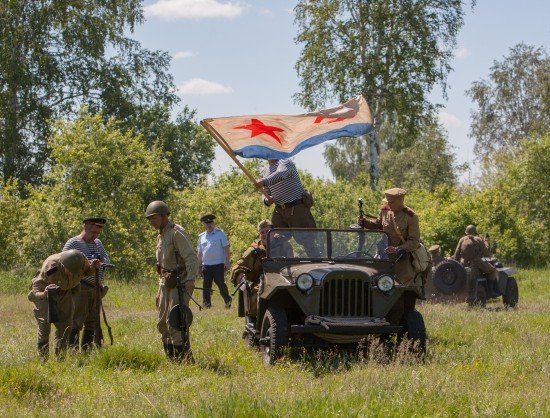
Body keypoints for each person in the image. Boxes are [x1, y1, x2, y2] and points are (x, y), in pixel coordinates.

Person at [145, 200, 197, 361]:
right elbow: (162, 265)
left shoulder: (176, 232)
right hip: (164, 282)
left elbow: (190, 257)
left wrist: (190, 279)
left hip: (179, 282)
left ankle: (184, 359)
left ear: (163, 216)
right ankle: (172, 359)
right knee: (162, 323)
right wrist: (159, 290)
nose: (151, 222)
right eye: (149, 219)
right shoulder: (160, 235)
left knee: (175, 321)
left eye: (154, 218)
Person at [28, 249, 98, 358]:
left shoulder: (81, 262)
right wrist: (42, 294)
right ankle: (43, 359)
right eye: (69, 271)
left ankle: (60, 358)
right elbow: (36, 286)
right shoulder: (51, 266)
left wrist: (93, 267)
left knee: (66, 326)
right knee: (45, 326)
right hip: (45, 293)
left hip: (65, 293)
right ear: (62, 265)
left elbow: (87, 271)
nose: (71, 274)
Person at [63, 216, 110, 351]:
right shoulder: (73, 243)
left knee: (92, 322)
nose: (95, 236)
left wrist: (101, 259)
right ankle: (73, 351)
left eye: (98, 233)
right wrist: (88, 263)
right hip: (80, 287)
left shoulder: (98, 243)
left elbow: (106, 259)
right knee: (76, 322)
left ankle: (86, 351)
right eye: (93, 232)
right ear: (86, 227)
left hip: (96, 288)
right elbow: (64, 263)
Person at [255, 158, 318, 257]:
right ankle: (276, 264)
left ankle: (317, 264)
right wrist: (266, 200)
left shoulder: (285, 162)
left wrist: (263, 181)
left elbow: (281, 174)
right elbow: (266, 192)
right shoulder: (265, 170)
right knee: (274, 239)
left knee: (307, 241)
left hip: (296, 207)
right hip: (280, 210)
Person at [359, 188, 420, 285]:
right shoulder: (385, 211)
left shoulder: (410, 216)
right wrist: (364, 222)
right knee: (371, 280)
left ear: (401, 200)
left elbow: (414, 242)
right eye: (388, 202)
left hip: (401, 258)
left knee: (402, 286)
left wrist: (397, 249)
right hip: (383, 256)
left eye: (392, 202)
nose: (389, 204)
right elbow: (378, 225)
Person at [230, 220, 271, 323]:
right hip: (261, 282)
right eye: (262, 232)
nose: (265, 235)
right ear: (259, 234)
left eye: (268, 231)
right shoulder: (254, 250)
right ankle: (259, 325)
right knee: (259, 295)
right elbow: (238, 266)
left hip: (282, 282)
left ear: (273, 233)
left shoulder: (283, 247)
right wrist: (240, 274)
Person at [196, 214, 232, 309]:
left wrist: (227, 261)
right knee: (206, 286)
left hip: (218, 265)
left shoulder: (220, 234)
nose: (209, 224)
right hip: (206, 265)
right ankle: (206, 305)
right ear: (204, 224)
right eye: (206, 223)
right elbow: (199, 253)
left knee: (220, 284)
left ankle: (227, 300)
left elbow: (226, 248)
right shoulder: (201, 237)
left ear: (213, 222)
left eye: (210, 222)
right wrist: (198, 267)